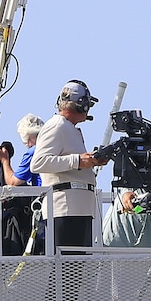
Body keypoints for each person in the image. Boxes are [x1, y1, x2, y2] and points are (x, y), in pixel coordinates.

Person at [30, 80, 109, 249]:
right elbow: (38, 163)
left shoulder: (69, 128)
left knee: (76, 271)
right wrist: (78, 161)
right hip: (65, 211)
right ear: (82, 106)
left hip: (78, 210)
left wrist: (91, 161)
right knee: (66, 271)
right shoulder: (57, 126)